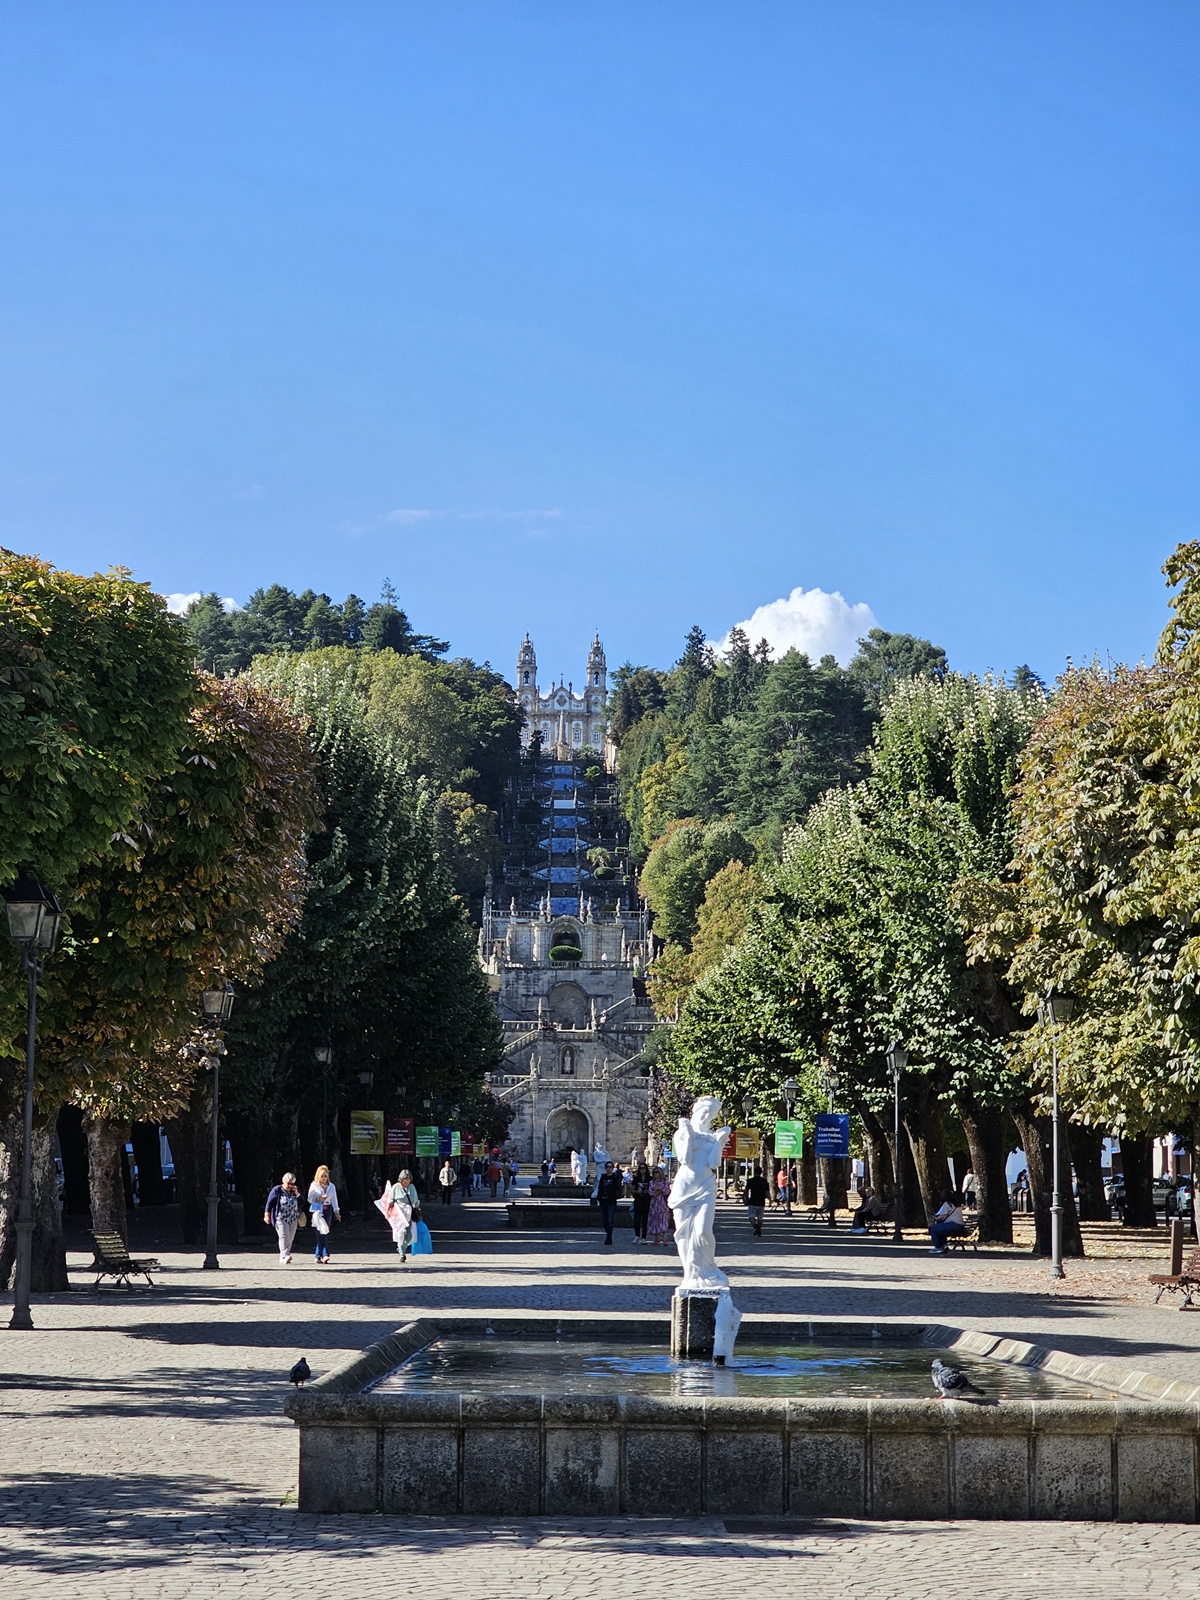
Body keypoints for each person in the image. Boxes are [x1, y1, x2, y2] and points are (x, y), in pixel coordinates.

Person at [263, 1171, 302, 1264]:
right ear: (283, 1182)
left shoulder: (295, 1190)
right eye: (288, 1183)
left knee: (290, 1237)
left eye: (292, 1183)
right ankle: (285, 1255)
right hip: (281, 1217)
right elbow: (269, 1203)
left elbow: (302, 1203)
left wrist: (297, 1194)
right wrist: (267, 1215)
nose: (290, 1186)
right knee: (284, 1236)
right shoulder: (277, 1190)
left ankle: (283, 1255)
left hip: (293, 1217)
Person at [307, 1165, 341, 1263]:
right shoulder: (314, 1185)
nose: (324, 1178)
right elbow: (309, 1199)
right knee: (319, 1231)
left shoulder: (331, 1186)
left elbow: (334, 1200)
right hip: (317, 1209)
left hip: (328, 1209)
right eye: (322, 1176)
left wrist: (336, 1211)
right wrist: (319, 1198)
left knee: (325, 1231)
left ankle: (317, 1255)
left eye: (325, 1176)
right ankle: (325, 1254)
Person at [388, 1168, 420, 1263]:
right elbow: (390, 1201)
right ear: (401, 1179)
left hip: (409, 1214)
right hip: (399, 1214)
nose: (407, 1181)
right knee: (400, 1234)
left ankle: (401, 1248)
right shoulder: (395, 1187)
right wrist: (387, 1213)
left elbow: (416, 1200)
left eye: (409, 1179)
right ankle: (402, 1254)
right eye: (405, 1179)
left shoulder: (412, 1187)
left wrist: (418, 1209)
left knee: (409, 1236)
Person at [929, 1189, 967, 1254]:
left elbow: (943, 1217)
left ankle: (938, 1247)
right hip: (960, 1226)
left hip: (953, 1225)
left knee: (933, 1229)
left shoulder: (947, 1204)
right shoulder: (957, 1204)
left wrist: (936, 1218)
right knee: (940, 1228)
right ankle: (944, 1246)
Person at [596, 1160, 623, 1246]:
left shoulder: (615, 1178)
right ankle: (608, 1235)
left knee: (610, 1220)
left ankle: (609, 1237)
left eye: (610, 1167)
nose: (609, 1169)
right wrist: (599, 1198)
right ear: (605, 1168)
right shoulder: (603, 1177)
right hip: (603, 1201)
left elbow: (619, 1188)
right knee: (604, 1221)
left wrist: (615, 1197)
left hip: (611, 1202)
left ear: (612, 1168)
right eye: (607, 1167)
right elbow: (600, 1188)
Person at [743, 1163, 770, 1237]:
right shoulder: (764, 1182)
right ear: (761, 1173)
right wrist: (770, 1200)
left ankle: (755, 1226)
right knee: (760, 1217)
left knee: (751, 1216)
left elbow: (746, 1191)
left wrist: (744, 1198)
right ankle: (759, 1230)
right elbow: (767, 1192)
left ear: (754, 1172)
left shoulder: (750, 1181)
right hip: (761, 1201)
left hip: (752, 1201)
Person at [647, 1166, 671, 1245]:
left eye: (657, 1172)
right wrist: (657, 1191)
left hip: (663, 1203)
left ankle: (665, 1238)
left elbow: (667, 1191)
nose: (655, 1174)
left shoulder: (665, 1181)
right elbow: (650, 1192)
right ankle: (657, 1238)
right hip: (654, 1204)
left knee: (663, 1220)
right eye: (654, 1172)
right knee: (655, 1220)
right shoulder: (651, 1182)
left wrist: (660, 1190)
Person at [630, 1161, 652, 1243]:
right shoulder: (636, 1179)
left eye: (644, 1168)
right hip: (638, 1200)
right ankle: (637, 1235)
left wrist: (648, 1191)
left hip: (646, 1200)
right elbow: (631, 1190)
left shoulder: (650, 1179)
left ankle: (644, 1237)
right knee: (637, 1219)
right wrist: (636, 1192)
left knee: (645, 1219)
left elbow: (652, 1189)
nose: (642, 1170)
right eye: (641, 1168)